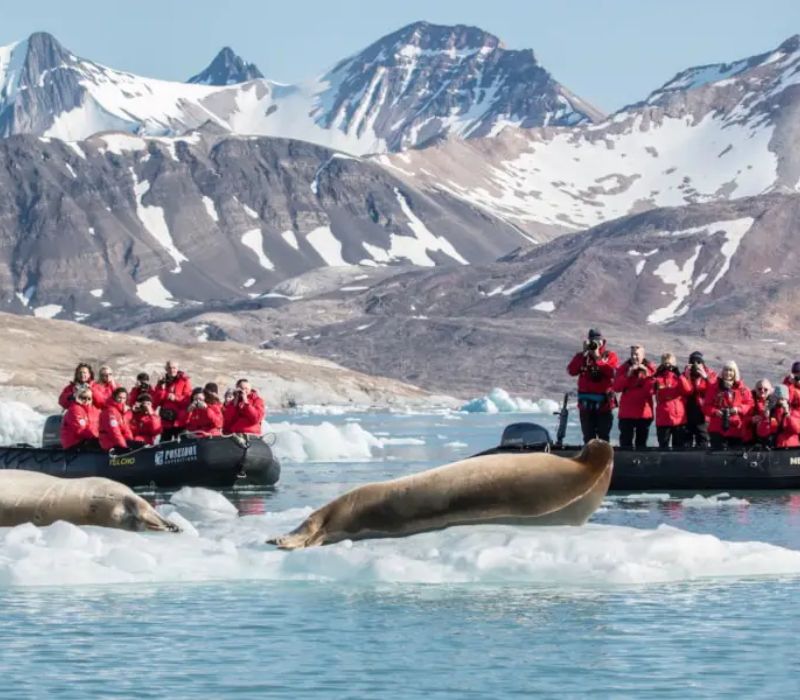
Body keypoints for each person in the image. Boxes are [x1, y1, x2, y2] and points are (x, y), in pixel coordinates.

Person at [567, 329, 619, 443]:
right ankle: (588, 459)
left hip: (604, 405)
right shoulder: (582, 357)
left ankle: (604, 460)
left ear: (603, 341)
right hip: (586, 406)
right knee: (588, 437)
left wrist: (597, 357)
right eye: (592, 340)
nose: (594, 343)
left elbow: (612, 373)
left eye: (597, 340)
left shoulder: (610, 356)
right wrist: (584, 354)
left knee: (603, 437)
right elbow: (571, 371)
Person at [613, 344, 656, 449]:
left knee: (641, 444)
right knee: (625, 443)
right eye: (632, 354)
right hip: (627, 413)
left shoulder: (651, 368)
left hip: (644, 413)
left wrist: (647, 375)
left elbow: (652, 390)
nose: (634, 357)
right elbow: (616, 387)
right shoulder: (624, 368)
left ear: (643, 355)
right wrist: (628, 374)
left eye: (637, 355)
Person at [704, 361, 753, 450]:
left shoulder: (743, 389)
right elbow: (706, 406)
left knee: (735, 453)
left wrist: (738, 409)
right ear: (722, 372)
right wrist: (715, 411)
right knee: (717, 454)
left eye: (731, 370)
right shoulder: (714, 387)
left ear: (735, 373)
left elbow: (749, 404)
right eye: (726, 370)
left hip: (735, 427)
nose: (728, 373)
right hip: (717, 426)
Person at [651, 353, 691, 448]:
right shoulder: (658, 378)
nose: (668, 366)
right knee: (663, 447)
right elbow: (650, 390)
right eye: (665, 364)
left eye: (670, 364)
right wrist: (655, 375)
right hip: (663, 419)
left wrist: (679, 375)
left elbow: (688, 390)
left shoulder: (679, 378)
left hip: (679, 419)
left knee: (678, 447)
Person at [682, 351, 716, 448]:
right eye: (693, 362)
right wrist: (686, 377)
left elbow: (714, 390)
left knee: (703, 441)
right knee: (685, 442)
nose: (696, 365)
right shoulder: (684, 375)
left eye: (698, 362)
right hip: (687, 413)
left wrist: (705, 377)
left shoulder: (710, 375)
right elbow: (684, 391)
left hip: (702, 416)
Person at [153, 360, 192, 441]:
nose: (172, 370)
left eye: (174, 368)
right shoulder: (162, 382)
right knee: (164, 445)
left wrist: (176, 398)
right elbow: (156, 401)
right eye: (169, 368)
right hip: (166, 420)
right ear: (166, 369)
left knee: (184, 445)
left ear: (177, 369)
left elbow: (188, 399)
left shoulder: (184, 380)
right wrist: (161, 389)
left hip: (180, 420)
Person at [99, 387, 134, 451]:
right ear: (114, 397)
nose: (121, 400)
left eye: (124, 398)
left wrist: (131, 442)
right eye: (119, 397)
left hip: (120, 441)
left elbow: (126, 429)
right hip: (110, 443)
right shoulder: (110, 411)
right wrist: (124, 446)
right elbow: (114, 431)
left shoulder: (122, 411)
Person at [746, 379, 773, 444]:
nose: (762, 391)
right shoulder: (749, 400)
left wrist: (769, 418)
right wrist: (751, 419)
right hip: (751, 435)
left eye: (765, 389)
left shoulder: (774, 403)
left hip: (769, 436)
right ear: (755, 390)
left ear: (770, 391)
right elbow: (742, 418)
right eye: (759, 389)